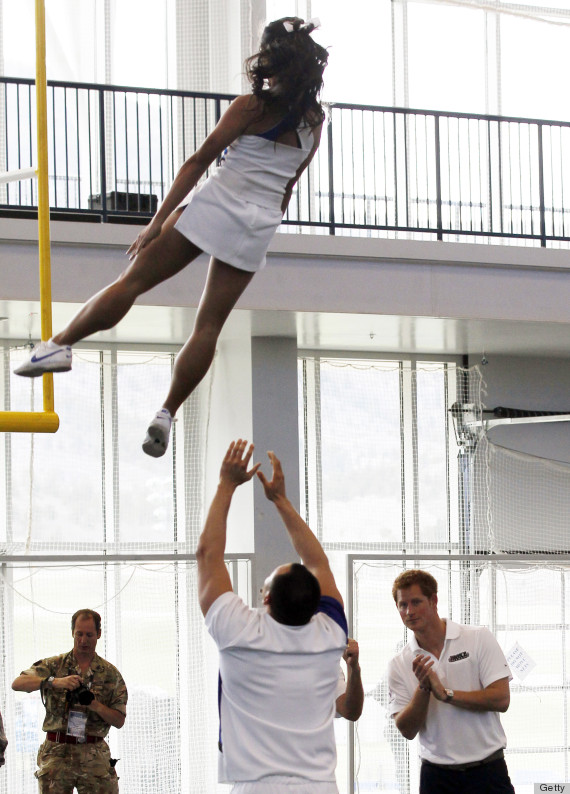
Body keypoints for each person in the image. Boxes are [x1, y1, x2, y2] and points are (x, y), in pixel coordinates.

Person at [14, 16, 328, 459]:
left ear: (270, 60)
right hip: (258, 222)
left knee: (133, 282)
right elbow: (289, 185)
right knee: (209, 326)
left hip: (219, 202)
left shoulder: (250, 108)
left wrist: (157, 221)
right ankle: (166, 413)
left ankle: (60, 346)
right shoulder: (315, 122)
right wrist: (263, 228)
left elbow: (197, 162)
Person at [197, 439, 357, 793]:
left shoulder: (238, 632)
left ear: (264, 597)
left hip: (256, 786)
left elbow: (208, 554)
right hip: (319, 786)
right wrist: (281, 501)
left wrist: (227, 484)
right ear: (320, 603)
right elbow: (318, 562)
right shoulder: (331, 634)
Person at [387, 569, 515, 794]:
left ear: (434, 600)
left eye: (416, 602)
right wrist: (424, 688)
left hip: (488, 770)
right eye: (402, 605)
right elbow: (406, 730)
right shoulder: (399, 663)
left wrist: (447, 694)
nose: (409, 611)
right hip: (437, 777)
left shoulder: (477, 637)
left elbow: (501, 699)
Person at [12, 609, 127, 793]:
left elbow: (119, 720)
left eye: (89, 635)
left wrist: (94, 704)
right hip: (57, 752)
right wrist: (54, 682)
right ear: (72, 632)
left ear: (98, 634)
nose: (83, 640)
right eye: (79, 634)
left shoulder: (110, 674)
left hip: (93, 754)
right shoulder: (54, 666)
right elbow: (18, 684)